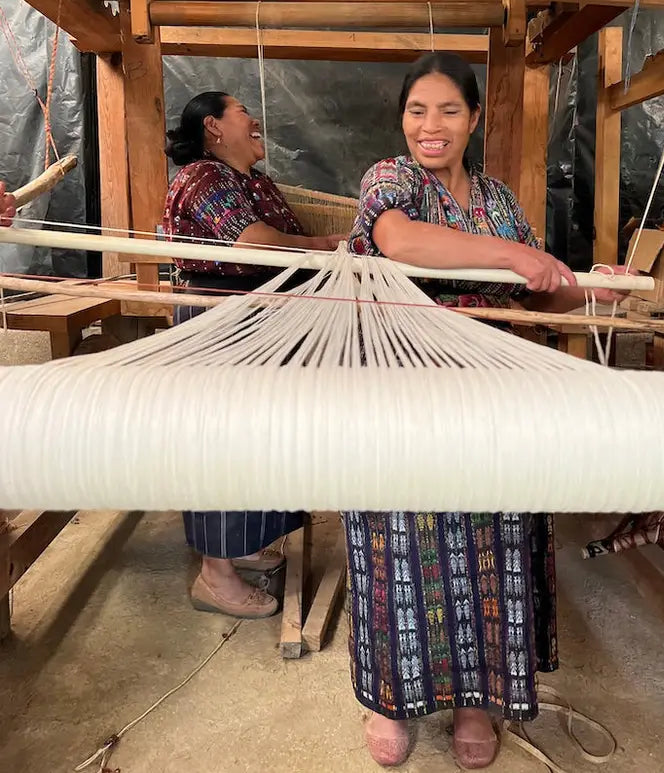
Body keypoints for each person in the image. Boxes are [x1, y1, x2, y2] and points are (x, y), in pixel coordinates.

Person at [346, 52, 629, 769]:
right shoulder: (392, 179)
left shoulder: (499, 199)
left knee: (488, 543)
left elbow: (541, 289)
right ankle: (390, 696)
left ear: (474, 118)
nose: (430, 126)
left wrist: (595, 290)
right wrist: (511, 256)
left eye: (447, 110)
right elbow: (402, 241)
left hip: (491, 397)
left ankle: (476, 699)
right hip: (401, 394)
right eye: (417, 110)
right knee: (398, 542)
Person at [163, 90, 344, 619]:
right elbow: (253, 243)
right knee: (220, 442)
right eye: (243, 111)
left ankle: (239, 544)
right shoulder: (202, 179)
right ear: (214, 128)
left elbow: (284, 238)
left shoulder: (253, 182)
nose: (256, 119)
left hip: (261, 324)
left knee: (259, 438)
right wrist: (321, 247)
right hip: (220, 325)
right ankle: (214, 576)